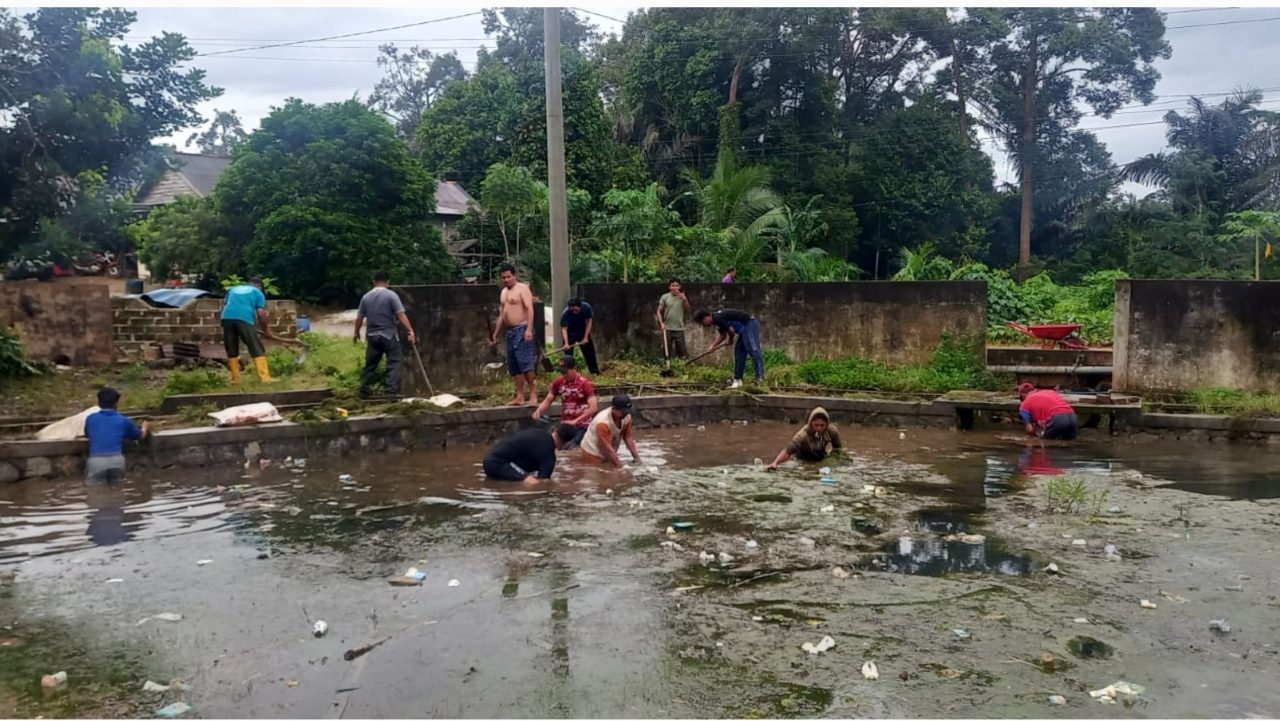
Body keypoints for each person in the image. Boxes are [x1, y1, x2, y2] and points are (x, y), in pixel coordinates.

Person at [353, 270, 417, 400]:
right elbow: (400, 314)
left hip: (372, 336)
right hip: (389, 336)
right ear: (388, 282)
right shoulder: (391, 295)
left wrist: (356, 332)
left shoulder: (366, 297)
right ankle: (391, 393)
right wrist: (410, 330)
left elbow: (359, 318)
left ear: (374, 282)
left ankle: (364, 391)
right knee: (393, 363)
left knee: (370, 365)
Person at [489, 264, 537, 406]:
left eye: (509, 277)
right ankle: (520, 396)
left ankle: (533, 394)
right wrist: (495, 334)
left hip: (523, 328)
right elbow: (502, 315)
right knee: (514, 364)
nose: (506, 280)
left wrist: (528, 329)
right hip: (510, 331)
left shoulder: (522, 289)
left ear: (514, 275)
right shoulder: (503, 292)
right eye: (504, 277)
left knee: (525, 363)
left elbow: (530, 309)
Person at [84, 387, 149, 485]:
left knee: (95, 492)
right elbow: (140, 435)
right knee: (118, 489)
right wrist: (144, 427)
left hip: (97, 461)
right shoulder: (123, 420)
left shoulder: (91, 419)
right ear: (116, 404)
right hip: (117, 460)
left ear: (98, 403)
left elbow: (87, 433)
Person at [532, 355, 598, 449]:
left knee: (573, 449)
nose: (564, 375)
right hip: (565, 424)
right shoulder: (558, 383)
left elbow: (593, 408)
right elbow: (548, 400)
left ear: (574, 369)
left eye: (566, 372)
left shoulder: (585, 384)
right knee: (551, 445)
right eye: (561, 372)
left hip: (582, 426)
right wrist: (539, 411)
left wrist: (575, 421)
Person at [693, 308, 764, 388]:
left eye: (703, 322)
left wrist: (730, 340)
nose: (704, 325)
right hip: (742, 331)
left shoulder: (717, 318)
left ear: (707, 317)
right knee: (739, 354)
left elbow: (731, 331)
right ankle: (738, 379)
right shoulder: (716, 321)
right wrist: (713, 346)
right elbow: (723, 335)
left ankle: (760, 377)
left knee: (753, 349)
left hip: (749, 324)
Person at [220, 277, 274, 383]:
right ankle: (265, 378)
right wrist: (266, 331)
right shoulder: (258, 292)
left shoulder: (233, 289)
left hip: (226, 318)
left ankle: (235, 379)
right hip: (244, 318)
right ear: (260, 286)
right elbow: (260, 313)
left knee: (232, 348)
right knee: (255, 346)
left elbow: (228, 305)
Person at [483, 423, 579, 483]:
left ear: (554, 430)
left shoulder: (536, 432)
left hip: (489, 460)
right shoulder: (548, 456)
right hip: (499, 464)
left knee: (526, 476)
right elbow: (544, 482)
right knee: (534, 483)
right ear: (566, 443)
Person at [765, 407, 843, 471]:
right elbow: (788, 451)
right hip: (802, 457)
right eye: (816, 425)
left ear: (827, 425)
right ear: (811, 423)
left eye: (822, 425)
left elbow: (838, 449)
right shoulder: (803, 434)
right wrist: (775, 463)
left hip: (820, 455)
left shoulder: (832, 431)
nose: (819, 428)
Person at [581, 394, 641, 469]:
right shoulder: (603, 422)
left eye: (627, 411)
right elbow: (608, 448)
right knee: (597, 472)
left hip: (608, 448)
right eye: (623, 412)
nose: (626, 414)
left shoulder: (626, 416)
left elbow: (627, 437)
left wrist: (637, 459)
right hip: (592, 451)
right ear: (613, 409)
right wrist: (620, 466)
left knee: (611, 470)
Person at [560, 298, 599, 374]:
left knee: (590, 353)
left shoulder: (586, 307)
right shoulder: (565, 313)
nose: (574, 312)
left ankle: (594, 372)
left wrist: (585, 337)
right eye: (572, 311)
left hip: (582, 331)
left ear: (580, 307)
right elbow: (564, 329)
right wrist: (566, 343)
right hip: (570, 333)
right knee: (568, 356)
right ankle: (569, 373)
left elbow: (589, 321)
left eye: (576, 310)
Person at [656, 278, 691, 359]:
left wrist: (684, 299)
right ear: (669, 287)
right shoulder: (665, 297)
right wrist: (661, 323)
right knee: (666, 351)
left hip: (679, 328)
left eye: (677, 286)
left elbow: (688, 310)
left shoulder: (683, 297)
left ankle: (682, 366)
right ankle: (667, 365)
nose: (675, 288)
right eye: (673, 286)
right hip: (667, 328)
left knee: (682, 351)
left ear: (680, 287)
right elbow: (659, 311)